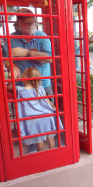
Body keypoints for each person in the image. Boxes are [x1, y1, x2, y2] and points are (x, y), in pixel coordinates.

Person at [4, 8, 54, 153]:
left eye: (33, 21)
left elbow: (49, 58)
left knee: (46, 114)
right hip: (22, 87)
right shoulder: (11, 39)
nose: (32, 24)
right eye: (27, 23)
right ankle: (34, 141)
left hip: (43, 85)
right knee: (28, 116)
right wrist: (12, 65)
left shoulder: (42, 36)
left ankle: (51, 139)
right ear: (19, 23)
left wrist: (26, 53)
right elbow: (6, 60)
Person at [7, 67, 64, 152]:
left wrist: (11, 79)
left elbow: (9, 88)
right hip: (47, 116)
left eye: (22, 75)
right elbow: (48, 102)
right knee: (50, 137)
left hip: (33, 119)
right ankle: (53, 152)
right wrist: (54, 109)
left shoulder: (20, 90)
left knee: (39, 139)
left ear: (25, 78)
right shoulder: (40, 88)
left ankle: (39, 154)